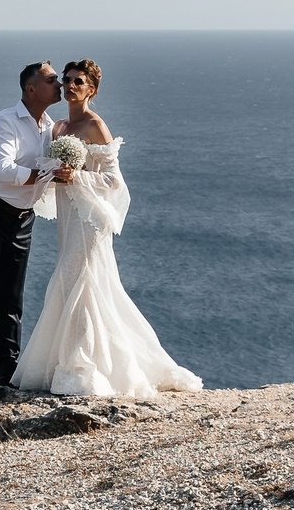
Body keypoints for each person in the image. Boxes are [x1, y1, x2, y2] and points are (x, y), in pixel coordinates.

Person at [11, 58, 203, 399]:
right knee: (75, 281)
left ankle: (80, 369)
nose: (70, 86)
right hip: (69, 216)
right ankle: (72, 363)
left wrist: (77, 174)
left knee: (81, 277)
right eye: (66, 80)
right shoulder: (57, 129)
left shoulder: (95, 126)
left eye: (78, 82)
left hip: (90, 219)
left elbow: (114, 181)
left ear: (92, 90)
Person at [0, 61, 75, 401]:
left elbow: (41, 173)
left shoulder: (49, 126)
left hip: (23, 217)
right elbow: (3, 170)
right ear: (31, 89)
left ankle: (7, 369)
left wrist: (61, 174)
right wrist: (47, 174)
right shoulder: (4, 122)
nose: (60, 84)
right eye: (52, 79)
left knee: (11, 298)